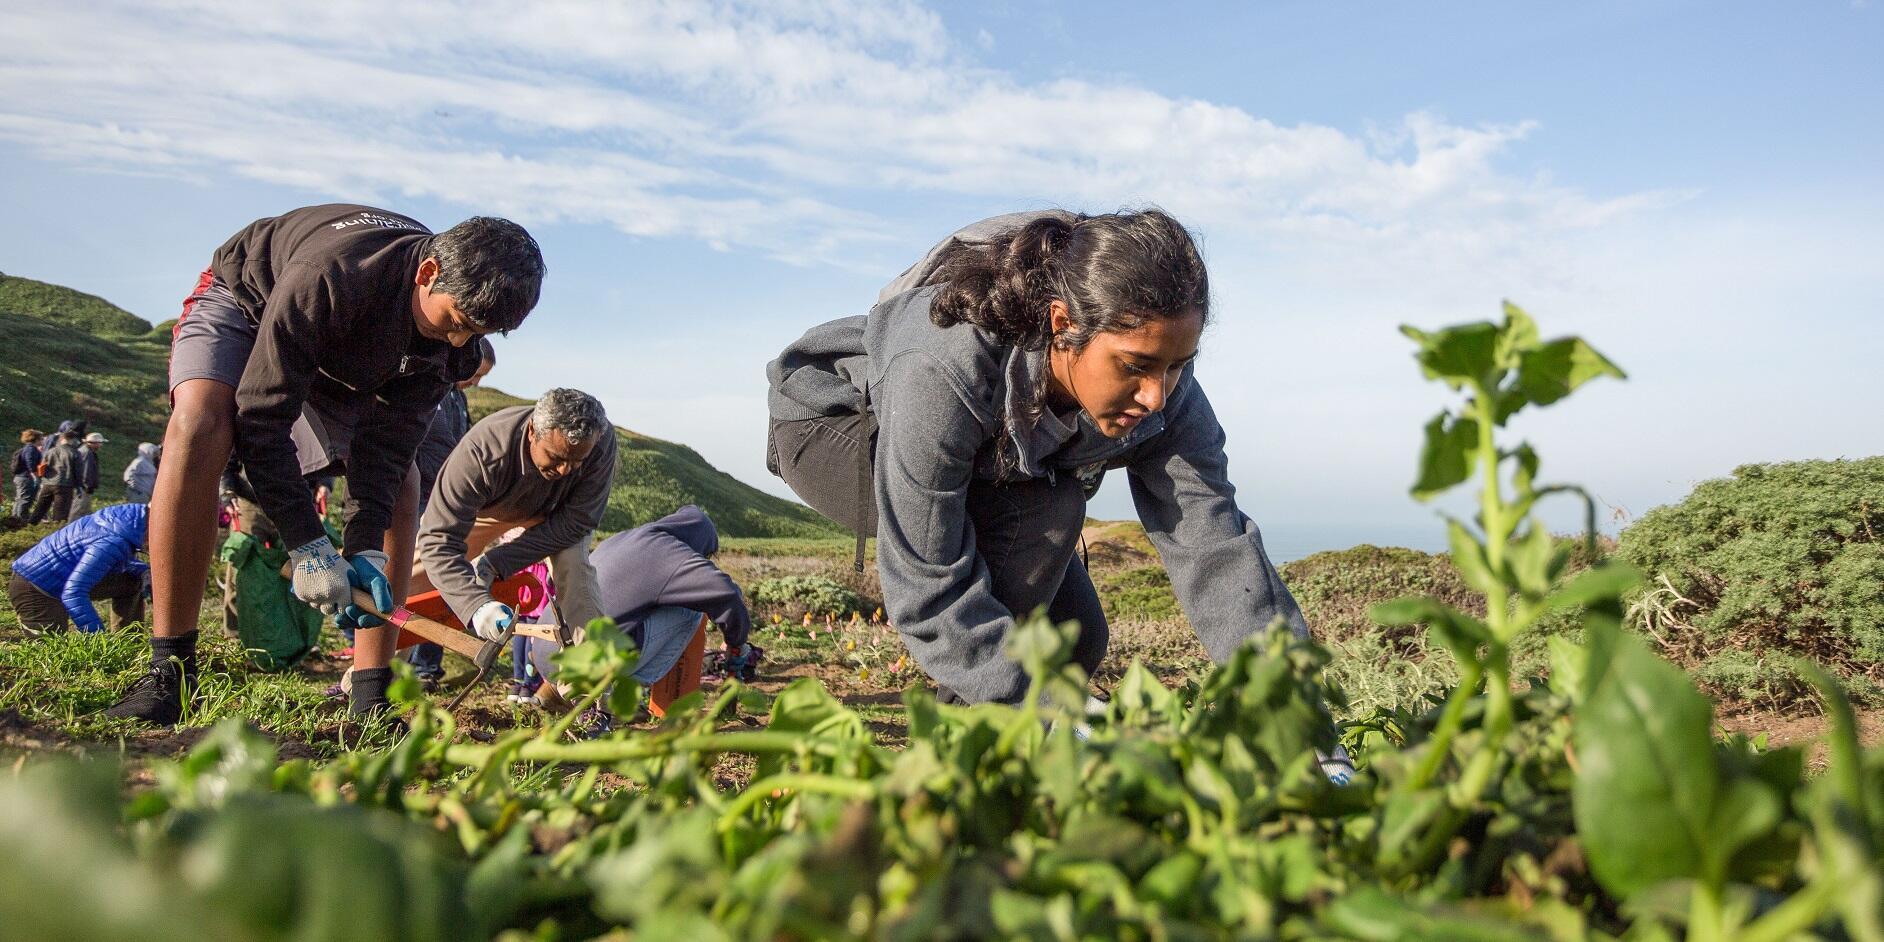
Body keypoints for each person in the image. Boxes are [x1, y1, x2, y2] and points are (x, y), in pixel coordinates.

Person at [765, 209, 1308, 707]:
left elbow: (1215, 545)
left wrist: (1292, 713)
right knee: (1043, 520)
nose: (1156, 396)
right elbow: (927, 591)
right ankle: (954, 773)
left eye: (1176, 365)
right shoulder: (943, 364)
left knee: (1074, 637)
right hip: (838, 425)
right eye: (1134, 366)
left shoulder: (1170, 396)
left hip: (984, 455)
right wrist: (1049, 713)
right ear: (1061, 324)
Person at [104, 204, 545, 725]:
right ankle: (169, 670)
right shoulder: (332, 274)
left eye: (478, 333)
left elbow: (387, 447)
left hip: (349, 353)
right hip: (248, 304)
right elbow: (262, 417)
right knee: (200, 424)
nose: (460, 341)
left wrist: (362, 549)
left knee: (403, 481)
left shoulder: (452, 342)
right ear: (428, 274)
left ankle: (368, 693)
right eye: (459, 322)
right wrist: (308, 545)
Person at [411, 388, 616, 697]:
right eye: (557, 457)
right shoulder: (484, 449)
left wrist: (499, 561)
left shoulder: (599, 443)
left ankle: (588, 689)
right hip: (493, 510)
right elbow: (438, 539)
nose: (564, 470)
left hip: (559, 518)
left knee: (575, 569)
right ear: (533, 431)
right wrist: (476, 605)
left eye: (576, 462)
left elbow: (578, 522)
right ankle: (372, 674)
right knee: (412, 577)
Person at [585, 505, 762, 687]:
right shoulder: (669, 552)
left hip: (562, 660)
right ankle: (628, 693)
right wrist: (736, 642)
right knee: (690, 611)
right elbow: (727, 594)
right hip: (593, 667)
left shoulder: (624, 538)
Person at [406, 337, 495, 683]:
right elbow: (445, 450)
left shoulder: (457, 398)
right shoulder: (434, 392)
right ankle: (395, 656)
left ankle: (425, 666)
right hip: (424, 495)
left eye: (481, 379)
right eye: (476, 375)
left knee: (441, 579)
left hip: (445, 498)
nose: (476, 382)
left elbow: (464, 446)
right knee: (419, 579)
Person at [8, 502, 150, 635]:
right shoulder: (112, 541)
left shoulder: (127, 523)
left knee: (132, 580)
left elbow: (113, 562)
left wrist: (145, 572)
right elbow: (73, 592)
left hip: (65, 580)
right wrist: (98, 641)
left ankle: (127, 643)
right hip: (36, 588)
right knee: (52, 651)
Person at [26, 432, 81, 525]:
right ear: (72, 440)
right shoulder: (74, 452)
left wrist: (42, 479)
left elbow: (42, 466)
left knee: (40, 508)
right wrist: (78, 486)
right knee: (60, 512)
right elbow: (78, 471)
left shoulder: (51, 451)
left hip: (48, 483)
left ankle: (29, 526)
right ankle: (56, 532)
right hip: (65, 484)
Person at [70, 432, 107, 519]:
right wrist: (88, 486)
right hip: (83, 487)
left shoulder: (83, 450)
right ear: (93, 443)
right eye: (99, 443)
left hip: (81, 485)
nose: (101, 445)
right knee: (78, 510)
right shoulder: (87, 453)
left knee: (84, 511)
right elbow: (87, 470)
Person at [11, 429, 43, 519]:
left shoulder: (26, 448)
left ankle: (15, 518)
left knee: (19, 499)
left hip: (21, 477)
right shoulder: (31, 449)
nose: (42, 441)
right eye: (41, 439)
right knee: (25, 499)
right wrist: (34, 475)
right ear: (35, 439)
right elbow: (30, 462)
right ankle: (21, 518)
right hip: (26, 478)